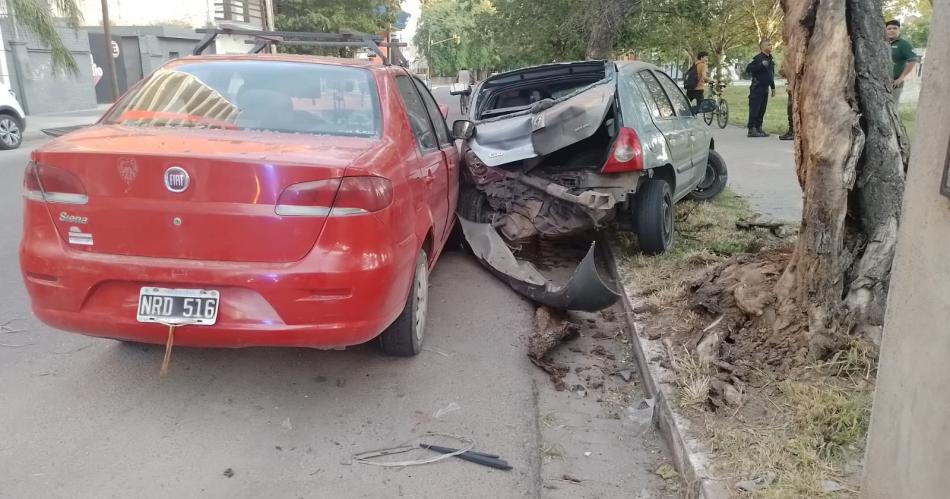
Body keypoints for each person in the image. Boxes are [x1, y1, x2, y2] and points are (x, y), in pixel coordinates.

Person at [745, 40, 776, 138]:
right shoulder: (758, 58)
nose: (771, 46)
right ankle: (752, 129)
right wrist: (761, 65)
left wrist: (773, 87)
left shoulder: (770, 59)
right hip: (757, 87)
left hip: (765, 88)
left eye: (771, 44)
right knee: (755, 108)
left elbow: (770, 75)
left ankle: (759, 127)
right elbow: (748, 69)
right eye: (769, 44)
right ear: (762, 47)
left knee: (762, 109)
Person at [886, 20, 919, 105]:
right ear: (885, 30)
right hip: (878, 82)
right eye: (889, 28)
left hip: (894, 83)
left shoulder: (904, 44)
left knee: (892, 106)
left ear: (899, 30)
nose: (892, 30)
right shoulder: (879, 42)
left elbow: (913, 60)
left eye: (895, 28)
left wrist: (901, 78)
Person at [778, 64, 793, 141]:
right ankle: (792, 131)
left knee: (791, 110)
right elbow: (782, 72)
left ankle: (792, 132)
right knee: (790, 111)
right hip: (793, 87)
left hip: (795, 89)